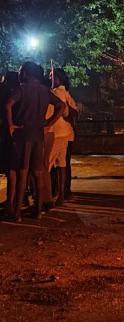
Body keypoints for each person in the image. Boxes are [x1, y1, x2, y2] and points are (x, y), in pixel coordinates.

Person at [6, 62, 65, 221]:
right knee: (38, 173)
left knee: (22, 173)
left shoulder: (22, 88)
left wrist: (11, 125)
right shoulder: (45, 90)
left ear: (25, 73)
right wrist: (49, 123)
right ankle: (38, 210)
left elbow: (8, 104)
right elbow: (61, 106)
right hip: (38, 134)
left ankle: (16, 212)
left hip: (23, 133)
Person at [45, 68, 78, 206]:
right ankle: (62, 194)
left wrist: (48, 123)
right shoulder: (66, 93)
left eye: (52, 76)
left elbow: (62, 110)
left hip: (56, 132)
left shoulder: (56, 92)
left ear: (59, 78)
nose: (49, 78)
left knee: (46, 165)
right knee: (63, 164)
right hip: (67, 133)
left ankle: (47, 196)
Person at [0, 72, 20, 214]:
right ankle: (14, 201)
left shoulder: (5, 92)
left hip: (6, 135)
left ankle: (11, 203)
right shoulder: (20, 93)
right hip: (18, 134)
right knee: (16, 170)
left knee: (11, 170)